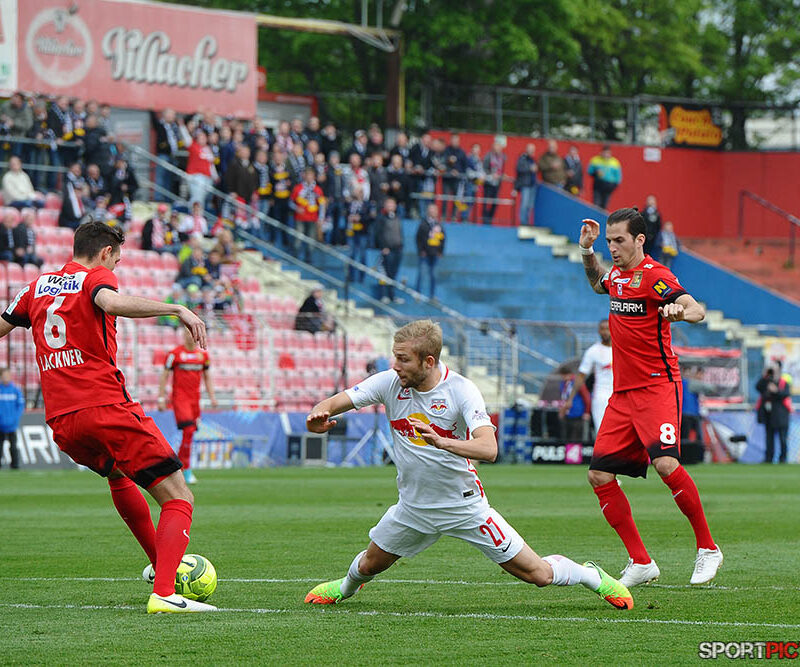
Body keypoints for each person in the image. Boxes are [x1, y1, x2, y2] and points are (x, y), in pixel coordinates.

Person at [302, 320, 633, 610]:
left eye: (403, 359)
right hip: (413, 506)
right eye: (395, 357)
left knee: (539, 576)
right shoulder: (390, 382)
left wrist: (444, 442)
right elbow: (333, 403)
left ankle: (590, 575)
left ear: (428, 361)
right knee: (369, 565)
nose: (396, 365)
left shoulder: (461, 391)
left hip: (464, 506)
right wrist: (318, 415)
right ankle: (346, 588)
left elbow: (489, 449)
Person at [0, 220, 216, 612]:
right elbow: (110, 302)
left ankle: (158, 565)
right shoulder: (95, 278)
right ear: (104, 253)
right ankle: (165, 593)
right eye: (116, 259)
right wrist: (176, 308)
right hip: (104, 406)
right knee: (179, 497)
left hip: (62, 421)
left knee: (118, 474)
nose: (115, 268)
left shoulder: (35, 287)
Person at [578, 208, 722, 587]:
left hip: (658, 386)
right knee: (598, 474)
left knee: (666, 466)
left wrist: (681, 311)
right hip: (623, 395)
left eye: (619, 241)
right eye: (609, 241)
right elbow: (598, 285)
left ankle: (708, 548)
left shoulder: (655, 276)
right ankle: (641, 562)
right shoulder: (618, 277)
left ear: (640, 240)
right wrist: (587, 252)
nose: (613, 248)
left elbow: (696, 308)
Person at [158, 329, 217, 485]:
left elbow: (207, 377)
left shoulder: (203, 356)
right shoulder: (175, 354)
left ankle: (177, 467)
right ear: (183, 335)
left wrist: (212, 396)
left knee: (189, 434)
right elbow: (164, 375)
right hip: (180, 399)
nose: (190, 336)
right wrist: (161, 397)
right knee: (189, 430)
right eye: (187, 333)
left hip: (195, 401)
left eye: (192, 334)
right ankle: (186, 469)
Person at [559, 319, 613, 435]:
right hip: (601, 397)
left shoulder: (621, 349)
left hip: (620, 396)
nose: (605, 332)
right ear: (598, 331)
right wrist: (570, 399)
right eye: (602, 329)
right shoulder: (593, 351)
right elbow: (580, 376)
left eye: (607, 329)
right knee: (603, 432)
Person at [755, 364, 791, 464]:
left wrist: (776, 390)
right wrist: (764, 375)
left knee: (782, 439)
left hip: (781, 416)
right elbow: (758, 387)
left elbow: (786, 394)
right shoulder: (766, 381)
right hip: (769, 415)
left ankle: (783, 459)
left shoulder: (783, 383)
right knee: (769, 438)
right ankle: (768, 458)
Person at [374, 197, 404, 304]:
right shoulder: (381, 218)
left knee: (393, 274)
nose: (391, 206)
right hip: (388, 250)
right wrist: (383, 247)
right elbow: (378, 234)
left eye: (393, 204)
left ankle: (392, 296)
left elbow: (400, 233)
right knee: (384, 273)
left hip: (398, 250)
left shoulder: (397, 218)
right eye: (389, 204)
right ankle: (383, 295)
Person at [415, 203, 445, 299]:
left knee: (434, 275)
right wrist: (421, 251)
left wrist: (441, 251)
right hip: (425, 254)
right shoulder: (423, 224)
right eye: (431, 210)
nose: (433, 212)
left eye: (434, 210)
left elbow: (443, 239)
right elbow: (418, 238)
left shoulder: (439, 224)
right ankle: (418, 294)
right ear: (427, 211)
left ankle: (432, 295)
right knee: (422, 274)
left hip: (435, 254)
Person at [558, 364, 591, 443]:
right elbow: (563, 397)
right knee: (567, 439)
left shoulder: (577, 383)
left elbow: (587, 397)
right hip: (567, 414)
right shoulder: (563, 384)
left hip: (578, 414)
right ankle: (568, 455)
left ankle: (574, 455)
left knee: (576, 439)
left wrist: (587, 412)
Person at [0, 368, 24, 469]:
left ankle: (15, 465)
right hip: (0, 424)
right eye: (4, 376)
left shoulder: (15, 391)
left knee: (13, 446)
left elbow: (21, 406)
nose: (6, 378)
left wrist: (15, 418)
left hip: (12, 424)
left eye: (7, 375)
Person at [587, 145, 622, 210]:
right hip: (598, 184)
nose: (606, 155)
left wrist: (614, 186)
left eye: (608, 153)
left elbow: (618, 176)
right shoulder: (595, 160)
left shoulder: (615, 162)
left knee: (605, 205)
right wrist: (596, 172)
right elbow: (589, 171)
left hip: (608, 185)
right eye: (605, 153)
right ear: (601, 152)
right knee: (596, 204)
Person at [514, 144, 537, 226]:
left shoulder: (533, 159)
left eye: (533, 150)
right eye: (530, 150)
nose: (532, 151)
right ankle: (523, 222)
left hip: (532, 185)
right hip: (525, 184)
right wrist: (530, 168)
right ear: (526, 150)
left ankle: (527, 222)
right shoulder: (522, 158)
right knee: (524, 204)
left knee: (530, 205)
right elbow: (519, 168)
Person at [642, 195, 662, 259]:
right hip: (643, 235)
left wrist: (654, 235)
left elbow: (658, 226)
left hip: (652, 238)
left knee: (648, 253)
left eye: (652, 201)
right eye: (649, 200)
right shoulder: (643, 212)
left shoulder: (657, 214)